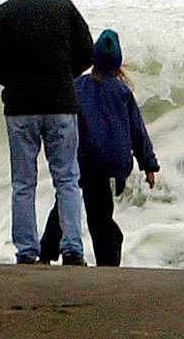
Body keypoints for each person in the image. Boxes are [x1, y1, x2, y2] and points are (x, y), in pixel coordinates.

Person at [0, 0, 94, 266]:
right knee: (67, 178)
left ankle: (27, 252)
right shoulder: (63, 7)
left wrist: (14, 81)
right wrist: (63, 77)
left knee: (23, 183)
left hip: (20, 109)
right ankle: (72, 248)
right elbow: (88, 53)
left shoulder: (2, 14)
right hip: (60, 105)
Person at [39, 28, 159, 267]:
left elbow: (66, 122)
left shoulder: (79, 86)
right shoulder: (123, 92)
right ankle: (108, 263)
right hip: (111, 161)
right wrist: (149, 165)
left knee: (65, 203)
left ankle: (46, 253)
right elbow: (138, 132)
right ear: (118, 64)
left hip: (83, 159)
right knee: (101, 216)